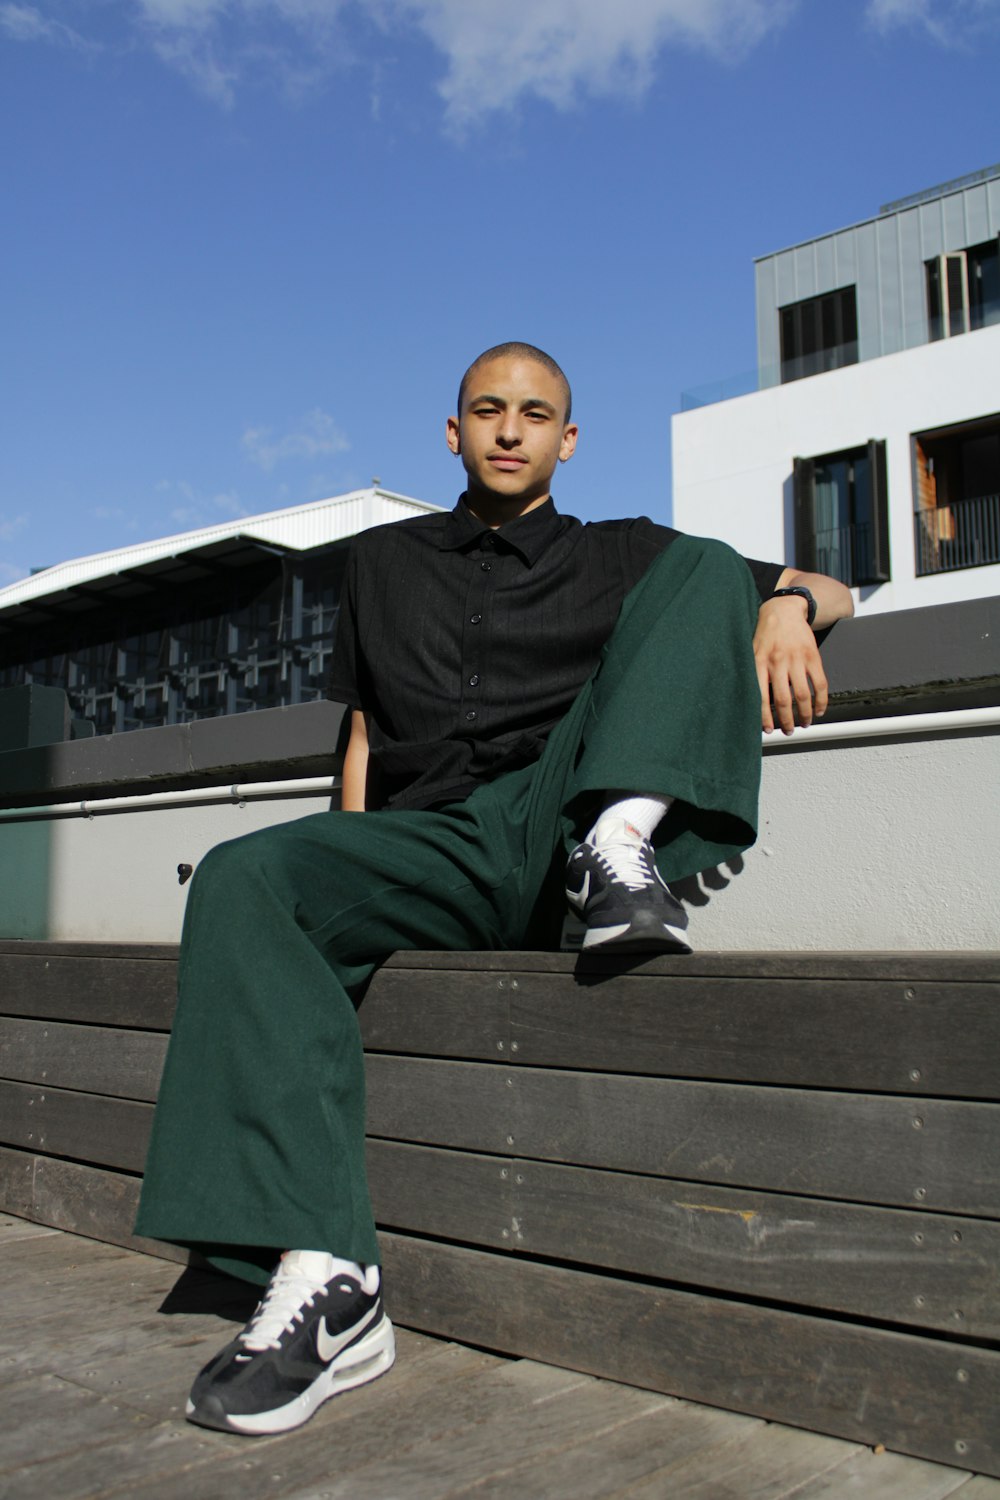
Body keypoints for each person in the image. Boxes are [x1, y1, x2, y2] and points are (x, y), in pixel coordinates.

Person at [135, 342, 853, 1436]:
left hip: (556, 811)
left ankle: (618, 846)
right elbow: (365, 741)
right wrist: (341, 883)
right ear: (453, 432)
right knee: (243, 875)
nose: (509, 430)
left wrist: (786, 609)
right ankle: (331, 1272)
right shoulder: (378, 564)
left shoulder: (624, 554)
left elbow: (836, 586)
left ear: (567, 440)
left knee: (708, 561)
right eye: (487, 411)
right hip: (434, 844)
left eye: (534, 414)